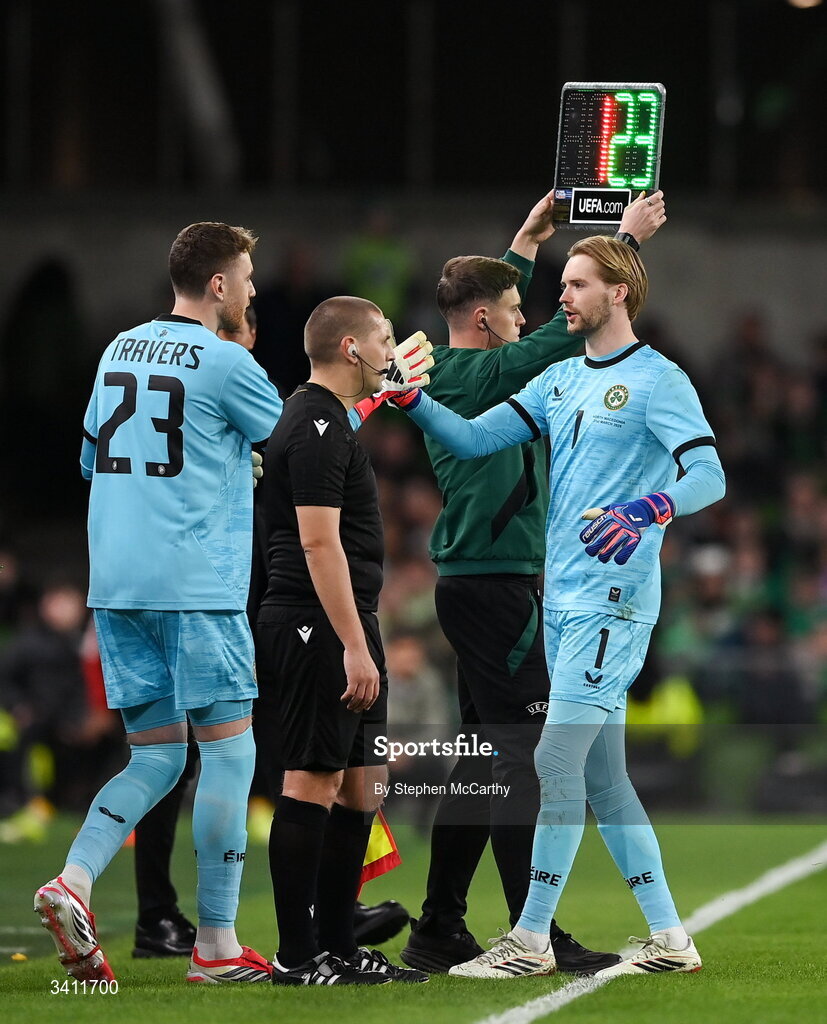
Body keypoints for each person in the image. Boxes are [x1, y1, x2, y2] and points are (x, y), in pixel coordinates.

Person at [397, 234, 725, 978]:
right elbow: (475, 438)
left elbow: (707, 474)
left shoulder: (658, 379)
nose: (562, 296)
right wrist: (413, 401)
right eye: (564, 282)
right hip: (563, 599)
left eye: (576, 284)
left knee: (549, 759)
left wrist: (648, 508)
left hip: (614, 600)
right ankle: (669, 937)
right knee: (604, 781)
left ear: (619, 292)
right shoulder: (562, 380)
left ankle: (529, 940)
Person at [34, 221, 284, 984]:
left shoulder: (116, 349)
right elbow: (301, 443)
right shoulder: (226, 359)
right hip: (197, 587)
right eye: (243, 277)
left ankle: (72, 880)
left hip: (115, 584)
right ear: (216, 285)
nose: (248, 290)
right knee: (230, 751)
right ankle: (214, 946)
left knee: (158, 755)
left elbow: (90, 459)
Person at [257, 297, 431, 986]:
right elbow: (316, 540)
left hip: (347, 620)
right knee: (312, 779)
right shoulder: (314, 423)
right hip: (314, 622)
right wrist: (352, 645)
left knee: (363, 784)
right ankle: (295, 956)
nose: (393, 349)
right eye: (385, 338)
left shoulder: (329, 418)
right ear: (352, 347)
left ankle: (337, 941)